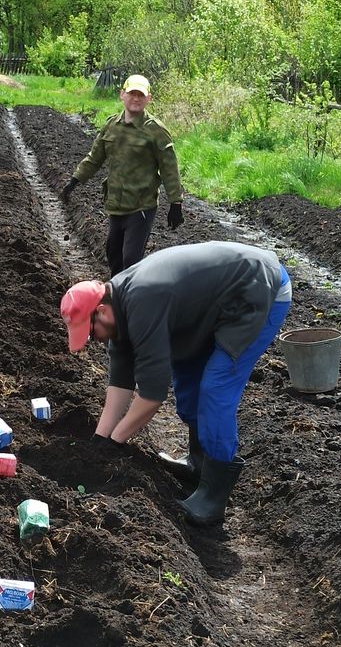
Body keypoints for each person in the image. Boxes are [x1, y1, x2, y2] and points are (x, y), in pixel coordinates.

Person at [59, 242, 292, 526]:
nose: (93, 339)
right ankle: (198, 463)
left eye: (90, 331)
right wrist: (100, 439)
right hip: (215, 303)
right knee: (189, 380)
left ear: (103, 312)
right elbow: (120, 380)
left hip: (255, 292)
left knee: (216, 387)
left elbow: (152, 395)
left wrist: (117, 441)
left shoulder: (142, 301)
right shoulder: (117, 305)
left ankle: (212, 497)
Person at [60, 74, 184, 276]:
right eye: (131, 94)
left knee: (131, 259)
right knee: (113, 255)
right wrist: (74, 181)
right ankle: (117, 297)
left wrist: (175, 203)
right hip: (115, 204)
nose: (136, 99)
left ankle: (128, 300)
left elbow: (169, 167)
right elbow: (94, 158)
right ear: (122, 95)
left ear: (148, 99)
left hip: (141, 206)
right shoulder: (111, 126)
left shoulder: (156, 131)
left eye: (140, 95)